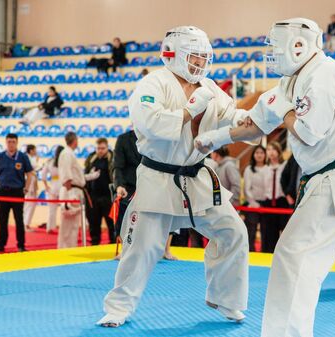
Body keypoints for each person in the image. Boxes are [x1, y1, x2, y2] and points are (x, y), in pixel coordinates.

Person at [194, 17, 335, 337]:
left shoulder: (324, 74)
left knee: (292, 256)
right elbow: (255, 124)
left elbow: (308, 132)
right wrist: (214, 138)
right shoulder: (290, 81)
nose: (271, 53)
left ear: (298, 47)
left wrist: (286, 111)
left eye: (276, 47)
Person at [98, 26, 250, 328]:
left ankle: (226, 299)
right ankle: (118, 308)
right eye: (195, 57)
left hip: (198, 177)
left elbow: (230, 113)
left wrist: (246, 118)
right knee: (142, 249)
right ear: (174, 55)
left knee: (234, 232)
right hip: (159, 177)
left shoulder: (209, 86)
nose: (200, 64)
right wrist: (187, 111)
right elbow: (151, 124)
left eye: (204, 57)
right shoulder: (151, 84)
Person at [113, 128, 177, 260]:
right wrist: (119, 185)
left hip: (154, 182)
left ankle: (166, 249)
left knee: (168, 211)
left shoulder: (156, 137)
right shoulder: (123, 139)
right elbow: (118, 166)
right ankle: (125, 249)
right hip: (130, 186)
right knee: (125, 211)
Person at [0, 133, 34, 252]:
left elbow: (30, 173)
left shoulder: (23, 157)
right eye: (9, 142)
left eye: (13, 142)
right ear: (6, 142)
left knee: (19, 220)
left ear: (17, 142)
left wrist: (26, 188)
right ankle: (1, 244)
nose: (11, 144)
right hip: (3, 192)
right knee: (2, 220)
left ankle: (21, 245)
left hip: (17, 192)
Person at [58, 132, 99, 248]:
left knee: (74, 225)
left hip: (76, 189)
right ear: (75, 141)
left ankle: (71, 248)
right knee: (68, 225)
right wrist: (69, 193)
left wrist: (92, 176)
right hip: (71, 191)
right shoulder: (66, 153)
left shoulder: (69, 154)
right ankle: (65, 250)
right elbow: (67, 176)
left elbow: (77, 177)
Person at [84, 138, 115, 245]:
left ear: (107, 148)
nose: (100, 150)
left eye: (103, 148)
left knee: (111, 224)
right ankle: (94, 244)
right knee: (94, 224)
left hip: (108, 197)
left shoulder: (113, 159)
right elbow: (85, 174)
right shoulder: (91, 159)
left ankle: (113, 244)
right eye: (98, 148)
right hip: (93, 197)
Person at [261, 141, 289, 253]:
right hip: (268, 202)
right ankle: (270, 254)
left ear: (278, 151)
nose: (271, 152)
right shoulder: (265, 168)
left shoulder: (285, 166)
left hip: (282, 201)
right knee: (270, 232)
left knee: (285, 230)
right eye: (268, 150)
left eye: (273, 149)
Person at [242, 145, 268, 252]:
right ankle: (250, 251)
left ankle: (264, 252)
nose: (259, 155)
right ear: (253, 155)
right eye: (257, 153)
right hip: (252, 204)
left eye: (261, 153)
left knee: (266, 231)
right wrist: (254, 203)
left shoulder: (269, 168)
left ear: (265, 155)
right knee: (251, 230)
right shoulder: (249, 169)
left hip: (266, 204)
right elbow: (247, 189)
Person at [41, 145, 64, 234]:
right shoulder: (65, 162)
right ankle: (63, 227)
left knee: (52, 209)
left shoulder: (50, 162)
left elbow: (43, 176)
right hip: (63, 186)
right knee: (64, 209)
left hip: (53, 186)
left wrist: (46, 186)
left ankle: (49, 228)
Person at [23, 144, 40, 231]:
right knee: (30, 203)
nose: (36, 151)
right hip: (29, 183)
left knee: (30, 203)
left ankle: (26, 223)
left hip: (32, 181)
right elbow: (36, 168)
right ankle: (26, 224)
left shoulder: (30, 158)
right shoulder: (28, 158)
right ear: (31, 150)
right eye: (35, 149)